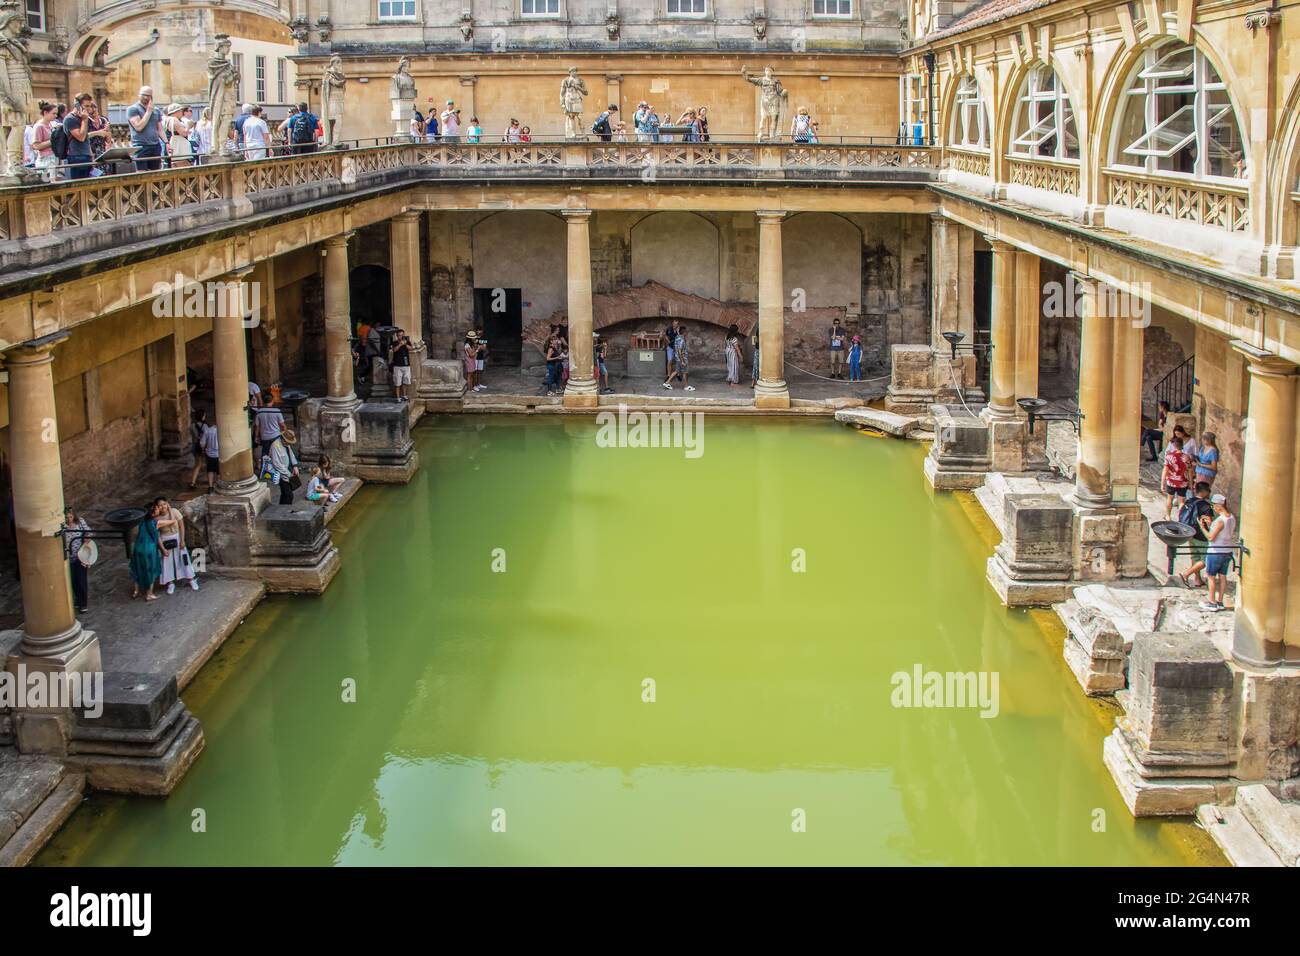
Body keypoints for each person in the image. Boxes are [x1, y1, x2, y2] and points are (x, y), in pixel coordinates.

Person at [155, 497, 198, 595]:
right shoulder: (156, 517)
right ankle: (170, 583)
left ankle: (191, 579)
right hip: (165, 539)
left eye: (164, 504)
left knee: (184, 559)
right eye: (160, 505)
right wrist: (162, 548)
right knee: (167, 562)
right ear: (157, 507)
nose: (162, 507)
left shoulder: (174, 512)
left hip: (177, 538)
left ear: (167, 504)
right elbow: (156, 534)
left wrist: (182, 540)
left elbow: (181, 526)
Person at [1201, 494, 1237, 612]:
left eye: (1213, 506)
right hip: (1227, 551)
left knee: (1211, 576)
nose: (1213, 508)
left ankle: (1212, 602)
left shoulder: (1221, 521)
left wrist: (1202, 527)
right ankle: (1220, 602)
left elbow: (1211, 537)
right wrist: (1212, 524)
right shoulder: (1231, 517)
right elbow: (1223, 533)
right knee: (1222, 576)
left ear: (1218, 506)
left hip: (1216, 552)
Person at [1177, 482, 1214, 589]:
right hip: (1202, 536)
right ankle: (1186, 574)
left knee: (1195, 557)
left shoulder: (1189, 501)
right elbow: (1209, 523)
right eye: (1208, 490)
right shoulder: (1206, 506)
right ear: (1204, 491)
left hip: (1190, 533)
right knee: (1206, 559)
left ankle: (1197, 579)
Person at [129, 502, 164, 602]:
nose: (159, 509)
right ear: (152, 513)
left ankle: (136, 591)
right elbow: (156, 537)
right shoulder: (153, 523)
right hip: (148, 549)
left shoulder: (141, 521)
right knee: (150, 570)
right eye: (157, 509)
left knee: (137, 568)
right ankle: (149, 594)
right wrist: (163, 550)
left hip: (138, 548)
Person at [127, 85, 164, 171]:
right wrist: (148, 112)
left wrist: (166, 142)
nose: (146, 97)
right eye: (144, 95)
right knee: (142, 175)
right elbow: (139, 127)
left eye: (148, 95)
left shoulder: (157, 110)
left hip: (155, 146)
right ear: (139, 95)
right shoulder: (132, 109)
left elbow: (160, 129)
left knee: (156, 175)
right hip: (141, 146)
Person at [64, 506, 91, 613]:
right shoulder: (63, 526)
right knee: (73, 581)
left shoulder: (80, 522)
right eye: (67, 518)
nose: (69, 519)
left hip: (80, 556)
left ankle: (83, 603)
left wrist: (87, 537)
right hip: (68, 557)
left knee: (81, 580)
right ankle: (78, 600)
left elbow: (89, 531)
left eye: (70, 517)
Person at [63, 92, 96, 179]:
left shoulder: (84, 118)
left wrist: (91, 154)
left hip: (86, 156)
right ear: (77, 105)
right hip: (76, 156)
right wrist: (84, 120)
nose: (89, 109)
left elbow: (86, 138)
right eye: (86, 106)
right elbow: (80, 137)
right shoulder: (70, 119)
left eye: (90, 106)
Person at [1161, 434, 1192, 519]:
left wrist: (1162, 482)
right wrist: (1191, 483)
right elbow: (1190, 471)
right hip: (1182, 482)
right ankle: (1181, 518)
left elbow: (1165, 470)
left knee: (1170, 498)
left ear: (1174, 445)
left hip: (1171, 481)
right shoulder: (1186, 457)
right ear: (1182, 445)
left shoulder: (1169, 456)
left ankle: (1168, 516)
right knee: (1181, 501)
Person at [267, 429, 301, 506]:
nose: (289, 444)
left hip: (288, 471)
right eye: (288, 442)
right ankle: (285, 511)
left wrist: (295, 466)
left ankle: (281, 510)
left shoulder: (286, 444)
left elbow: (291, 454)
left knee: (285, 494)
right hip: (281, 474)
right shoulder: (275, 446)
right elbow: (276, 464)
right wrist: (288, 474)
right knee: (289, 495)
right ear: (283, 439)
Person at [254, 389, 285, 458]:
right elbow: (282, 425)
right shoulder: (277, 411)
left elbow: (257, 427)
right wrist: (284, 432)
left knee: (265, 453)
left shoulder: (259, 412)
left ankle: (264, 468)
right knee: (276, 454)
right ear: (272, 400)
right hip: (276, 436)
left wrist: (256, 437)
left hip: (264, 437)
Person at [28, 100, 55, 176]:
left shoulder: (50, 124)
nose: (56, 115)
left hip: (52, 157)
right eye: (53, 113)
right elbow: (35, 146)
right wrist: (53, 140)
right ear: (45, 113)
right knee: (46, 182)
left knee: (53, 183)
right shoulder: (39, 126)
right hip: (44, 159)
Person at [164, 103, 194, 168]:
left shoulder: (167, 119)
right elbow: (184, 133)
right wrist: (189, 126)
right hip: (179, 151)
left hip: (172, 148)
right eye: (181, 111)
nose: (182, 113)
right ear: (176, 111)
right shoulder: (174, 119)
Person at [389, 328, 414, 402]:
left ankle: (404, 395)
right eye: (399, 335)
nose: (401, 337)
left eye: (402, 335)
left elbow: (411, 348)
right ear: (397, 336)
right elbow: (394, 350)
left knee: (405, 381)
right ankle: (398, 397)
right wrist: (400, 344)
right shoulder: (395, 343)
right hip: (397, 365)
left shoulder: (407, 341)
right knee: (398, 382)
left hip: (406, 365)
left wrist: (405, 344)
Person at [188, 409, 210, 489]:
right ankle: (211, 481)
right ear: (202, 416)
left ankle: (192, 482)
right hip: (203, 446)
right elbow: (207, 437)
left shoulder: (192, 425)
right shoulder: (205, 426)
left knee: (197, 464)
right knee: (209, 464)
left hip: (195, 446)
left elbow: (192, 435)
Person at [198, 412, 220, 490]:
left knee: (210, 470)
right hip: (219, 454)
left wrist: (203, 450)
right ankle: (217, 485)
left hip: (210, 454)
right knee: (218, 472)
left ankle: (210, 486)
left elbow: (202, 443)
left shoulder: (208, 430)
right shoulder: (223, 431)